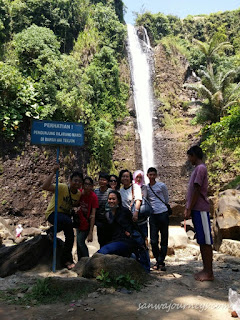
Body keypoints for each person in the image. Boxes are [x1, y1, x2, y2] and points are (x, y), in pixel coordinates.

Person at [98, 190, 150, 272]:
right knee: (100, 252)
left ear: (118, 200)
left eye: (113, 199)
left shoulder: (124, 211)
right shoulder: (107, 214)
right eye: (109, 199)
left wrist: (131, 233)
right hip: (113, 241)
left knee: (102, 252)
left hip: (125, 240)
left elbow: (133, 225)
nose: (111, 201)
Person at [43, 164, 82, 270]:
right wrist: (52, 172)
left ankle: (66, 259)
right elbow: (45, 187)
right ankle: (51, 231)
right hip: (53, 213)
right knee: (68, 221)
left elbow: (75, 204)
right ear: (70, 180)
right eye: (75, 180)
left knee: (70, 236)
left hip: (65, 217)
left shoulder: (78, 194)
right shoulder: (62, 187)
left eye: (79, 181)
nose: (77, 183)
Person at [184, 145, 214, 281]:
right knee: (202, 239)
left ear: (194, 155)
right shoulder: (198, 169)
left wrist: (189, 207)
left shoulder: (200, 168)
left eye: (190, 156)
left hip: (200, 208)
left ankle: (209, 272)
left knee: (206, 240)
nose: (189, 159)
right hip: (197, 209)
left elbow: (196, 190)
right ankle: (205, 269)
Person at [147, 167, 169, 271]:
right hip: (153, 215)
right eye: (150, 175)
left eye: (153, 174)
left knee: (164, 239)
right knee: (153, 240)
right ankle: (158, 260)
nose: (151, 176)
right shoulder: (146, 188)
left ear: (156, 175)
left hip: (163, 213)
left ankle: (161, 262)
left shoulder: (162, 186)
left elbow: (166, 198)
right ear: (147, 175)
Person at [76, 177, 99, 260]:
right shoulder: (79, 193)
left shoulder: (94, 197)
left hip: (86, 223)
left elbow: (93, 215)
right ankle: (80, 262)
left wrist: (90, 232)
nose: (86, 186)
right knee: (78, 243)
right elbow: (74, 204)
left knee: (80, 241)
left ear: (92, 186)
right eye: (85, 184)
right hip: (78, 221)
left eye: (89, 184)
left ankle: (87, 261)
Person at [94, 172, 112, 247]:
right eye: (100, 179)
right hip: (99, 220)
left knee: (109, 239)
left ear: (107, 182)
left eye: (104, 180)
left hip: (109, 220)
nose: (102, 181)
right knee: (101, 240)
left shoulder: (110, 191)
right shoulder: (96, 192)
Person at [133, 170, 148, 243]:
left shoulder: (144, 187)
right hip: (132, 218)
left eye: (140, 177)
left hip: (142, 218)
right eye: (137, 177)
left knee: (144, 238)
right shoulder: (131, 186)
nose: (138, 179)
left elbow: (144, 197)